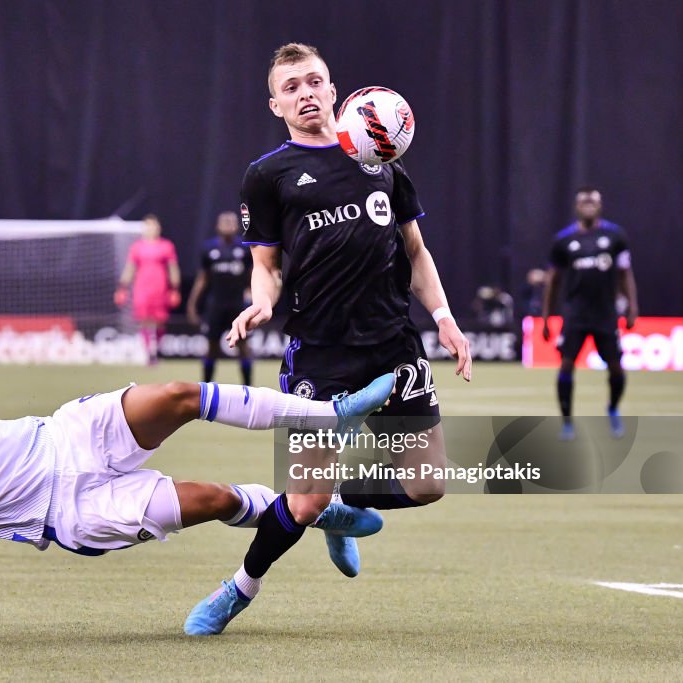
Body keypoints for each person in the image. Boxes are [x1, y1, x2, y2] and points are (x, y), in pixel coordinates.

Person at [0, 369, 394, 642]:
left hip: (63, 434)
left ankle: (329, 415)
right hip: (66, 512)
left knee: (177, 394)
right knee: (216, 499)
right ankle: (319, 511)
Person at [183, 43, 471, 636]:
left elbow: (415, 251)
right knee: (303, 498)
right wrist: (260, 301)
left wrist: (442, 314)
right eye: (291, 87)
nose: (305, 93)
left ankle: (345, 505)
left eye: (314, 81)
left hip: (394, 344)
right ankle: (237, 589)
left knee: (427, 484)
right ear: (275, 104)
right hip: (320, 349)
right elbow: (265, 265)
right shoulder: (268, 175)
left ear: (335, 91)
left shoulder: (383, 160)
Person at [541, 186, 638, 440]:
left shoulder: (615, 236)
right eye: (584, 202)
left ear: (600, 205)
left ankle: (613, 408)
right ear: (576, 207)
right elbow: (553, 281)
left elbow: (625, 273)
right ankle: (567, 422)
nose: (588, 205)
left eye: (593, 202)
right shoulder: (563, 241)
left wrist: (632, 307)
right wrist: (546, 317)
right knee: (566, 365)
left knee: (616, 368)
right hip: (575, 315)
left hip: (606, 314)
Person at [186, 211, 254, 385]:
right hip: (216, 305)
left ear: (237, 226)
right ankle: (206, 388)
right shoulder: (209, 249)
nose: (228, 225)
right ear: (217, 226)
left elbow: (253, 277)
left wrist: (254, 297)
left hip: (238, 306)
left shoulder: (244, 249)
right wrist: (192, 305)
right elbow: (202, 279)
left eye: (231, 222)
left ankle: (249, 389)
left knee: (244, 348)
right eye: (224, 222)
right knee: (211, 348)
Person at [114, 214, 181, 365]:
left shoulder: (166, 246)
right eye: (148, 226)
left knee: (160, 321)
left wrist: (175, 288)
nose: (151, 229)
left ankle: (157, 349)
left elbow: (173, 268)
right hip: (142, 289)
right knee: (144, 321)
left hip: (160, 288)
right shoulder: (137, 247)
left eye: (154, 226)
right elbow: (130, 268)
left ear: (159, 228)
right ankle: (148, 353)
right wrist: (122, 287)